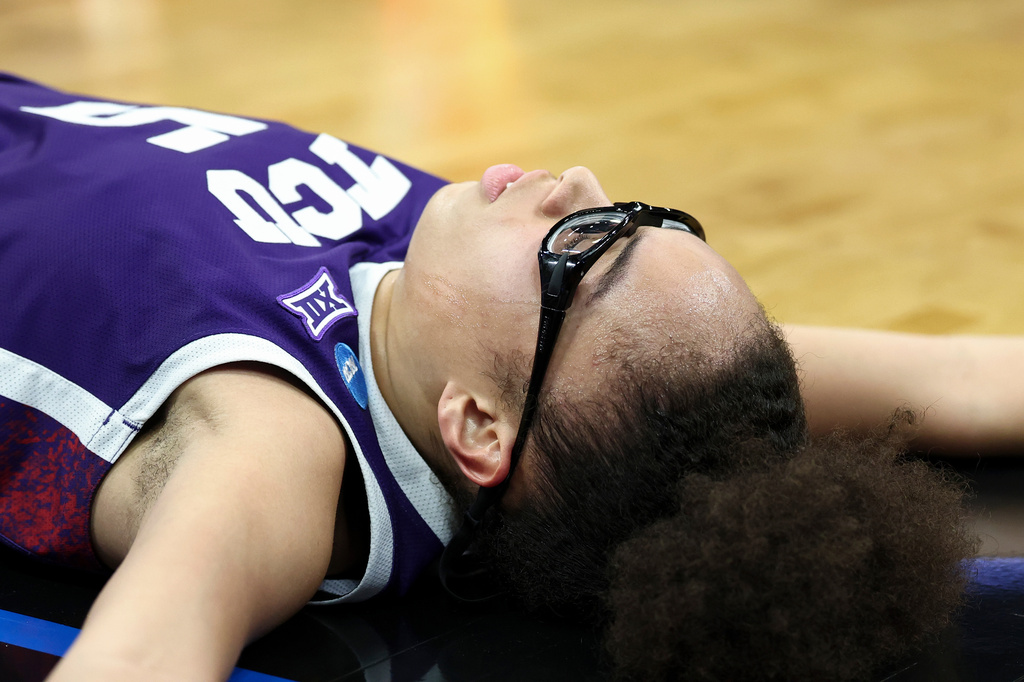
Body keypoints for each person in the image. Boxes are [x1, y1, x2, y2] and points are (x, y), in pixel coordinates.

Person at [0, 72, 994, 681]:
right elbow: (958, 377)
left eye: (585, 249)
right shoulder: (633, 384)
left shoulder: (275, 446)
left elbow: (138, 662)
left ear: (476, 424)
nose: (581, 188)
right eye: (643, 214)